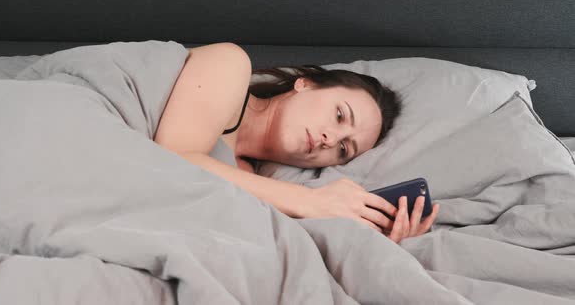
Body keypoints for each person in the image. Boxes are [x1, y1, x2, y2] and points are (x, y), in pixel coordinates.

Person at [154, 42, 440, 243]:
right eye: (340, 115)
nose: (331, 139)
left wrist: (373, 242)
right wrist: (312, 201)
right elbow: (170, 162)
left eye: (344, 149)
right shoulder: (230, 64)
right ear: (305, 84)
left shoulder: (252, 185)